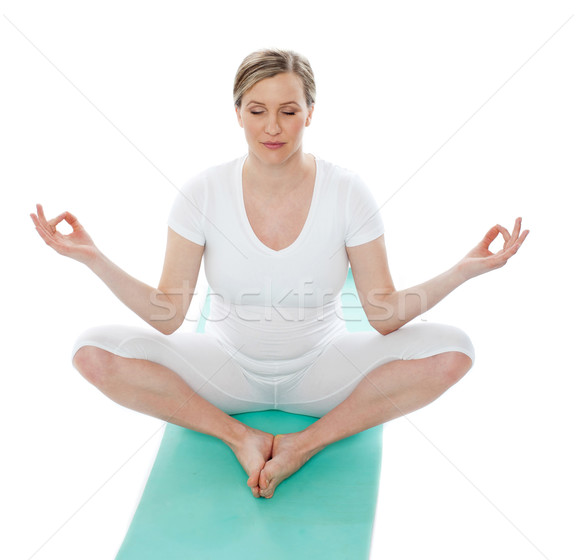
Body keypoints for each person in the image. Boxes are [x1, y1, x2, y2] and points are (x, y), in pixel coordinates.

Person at [31, 49, 529, 500]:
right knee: (91, 352)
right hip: (225, 367)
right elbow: (167, 315)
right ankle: (238, 436)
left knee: (454, 351)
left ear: (310, 113)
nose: (273, 127)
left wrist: (465, 270)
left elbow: (382, 314)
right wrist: (92, 256)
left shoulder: (347, 191)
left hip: (322, 367)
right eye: (257, 111)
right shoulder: (202, 192)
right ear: (237, 114)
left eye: (289, 112)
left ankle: (302, 446)